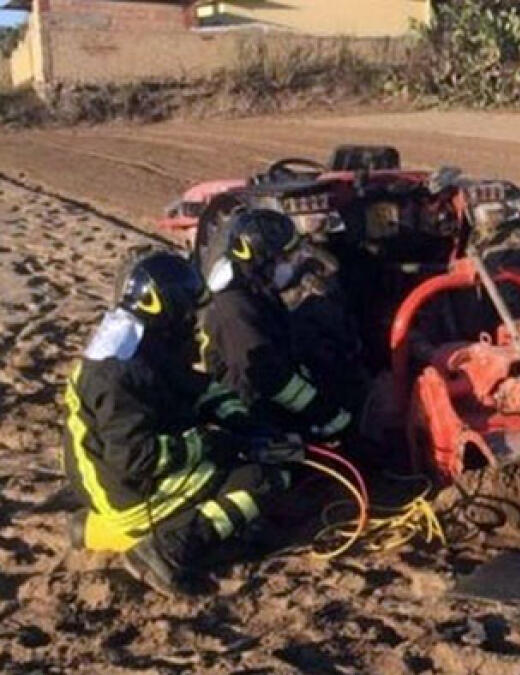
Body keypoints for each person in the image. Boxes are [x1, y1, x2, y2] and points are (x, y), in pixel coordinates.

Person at [63, 248, 300, 595]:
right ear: (164, 306)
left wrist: (240, 419)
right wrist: (215, 444)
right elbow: (136, 459)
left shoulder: (138, 341)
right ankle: (165, 551)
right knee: (262, 479)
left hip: (107, 478)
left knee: (240, 461)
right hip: (125, 487)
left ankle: (94, 530)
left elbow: (194, 388)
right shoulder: (119, 372)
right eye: (189, 310)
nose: (194, 320)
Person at [201, 209, 354, 441]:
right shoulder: (234, 309)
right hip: (251, 410)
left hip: (271, 395)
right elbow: (269, 376)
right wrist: (324, 412)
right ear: (261, 258)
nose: (290, 264)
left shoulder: (253, 288)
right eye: (283, 258)